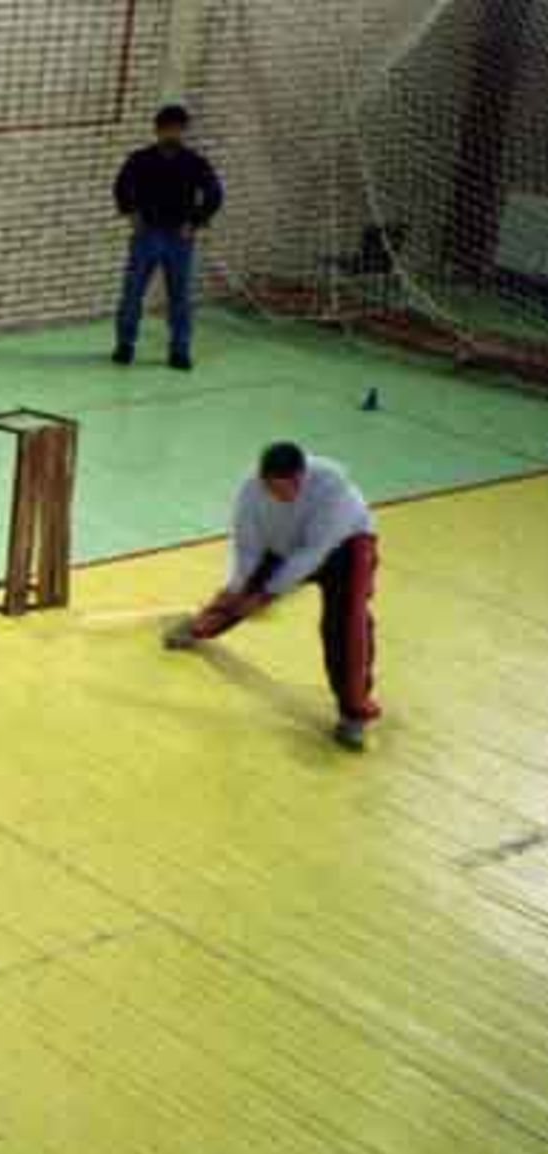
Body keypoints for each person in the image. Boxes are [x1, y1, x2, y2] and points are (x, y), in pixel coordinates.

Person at [164, 442, 380, 750]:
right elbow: (247, 548)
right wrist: (236, 587)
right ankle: (198, 626)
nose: (286, 494)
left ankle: (355, 713)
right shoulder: (249, 495)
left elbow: (312, 554)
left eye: (293, 485)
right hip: (287, 546)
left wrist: (268, 594)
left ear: (301, 475)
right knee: (239, 593)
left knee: (346, 625)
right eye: (277, 489)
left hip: (347, 549)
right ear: (263, 481)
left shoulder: (333, 490)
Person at [113, 104, 223, 371]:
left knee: (180, 298)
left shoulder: (195, 163)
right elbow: (121, 187)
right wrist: (132, 215)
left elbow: (214, 194)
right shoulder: (140, 160)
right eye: (167, 129)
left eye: (177, 129)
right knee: (132, 294)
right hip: (146, 235)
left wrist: (194, 223)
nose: (172, 134)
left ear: (183, 131)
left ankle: (179, 351)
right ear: (158, 130)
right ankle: (125, 345)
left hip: (179, 239)